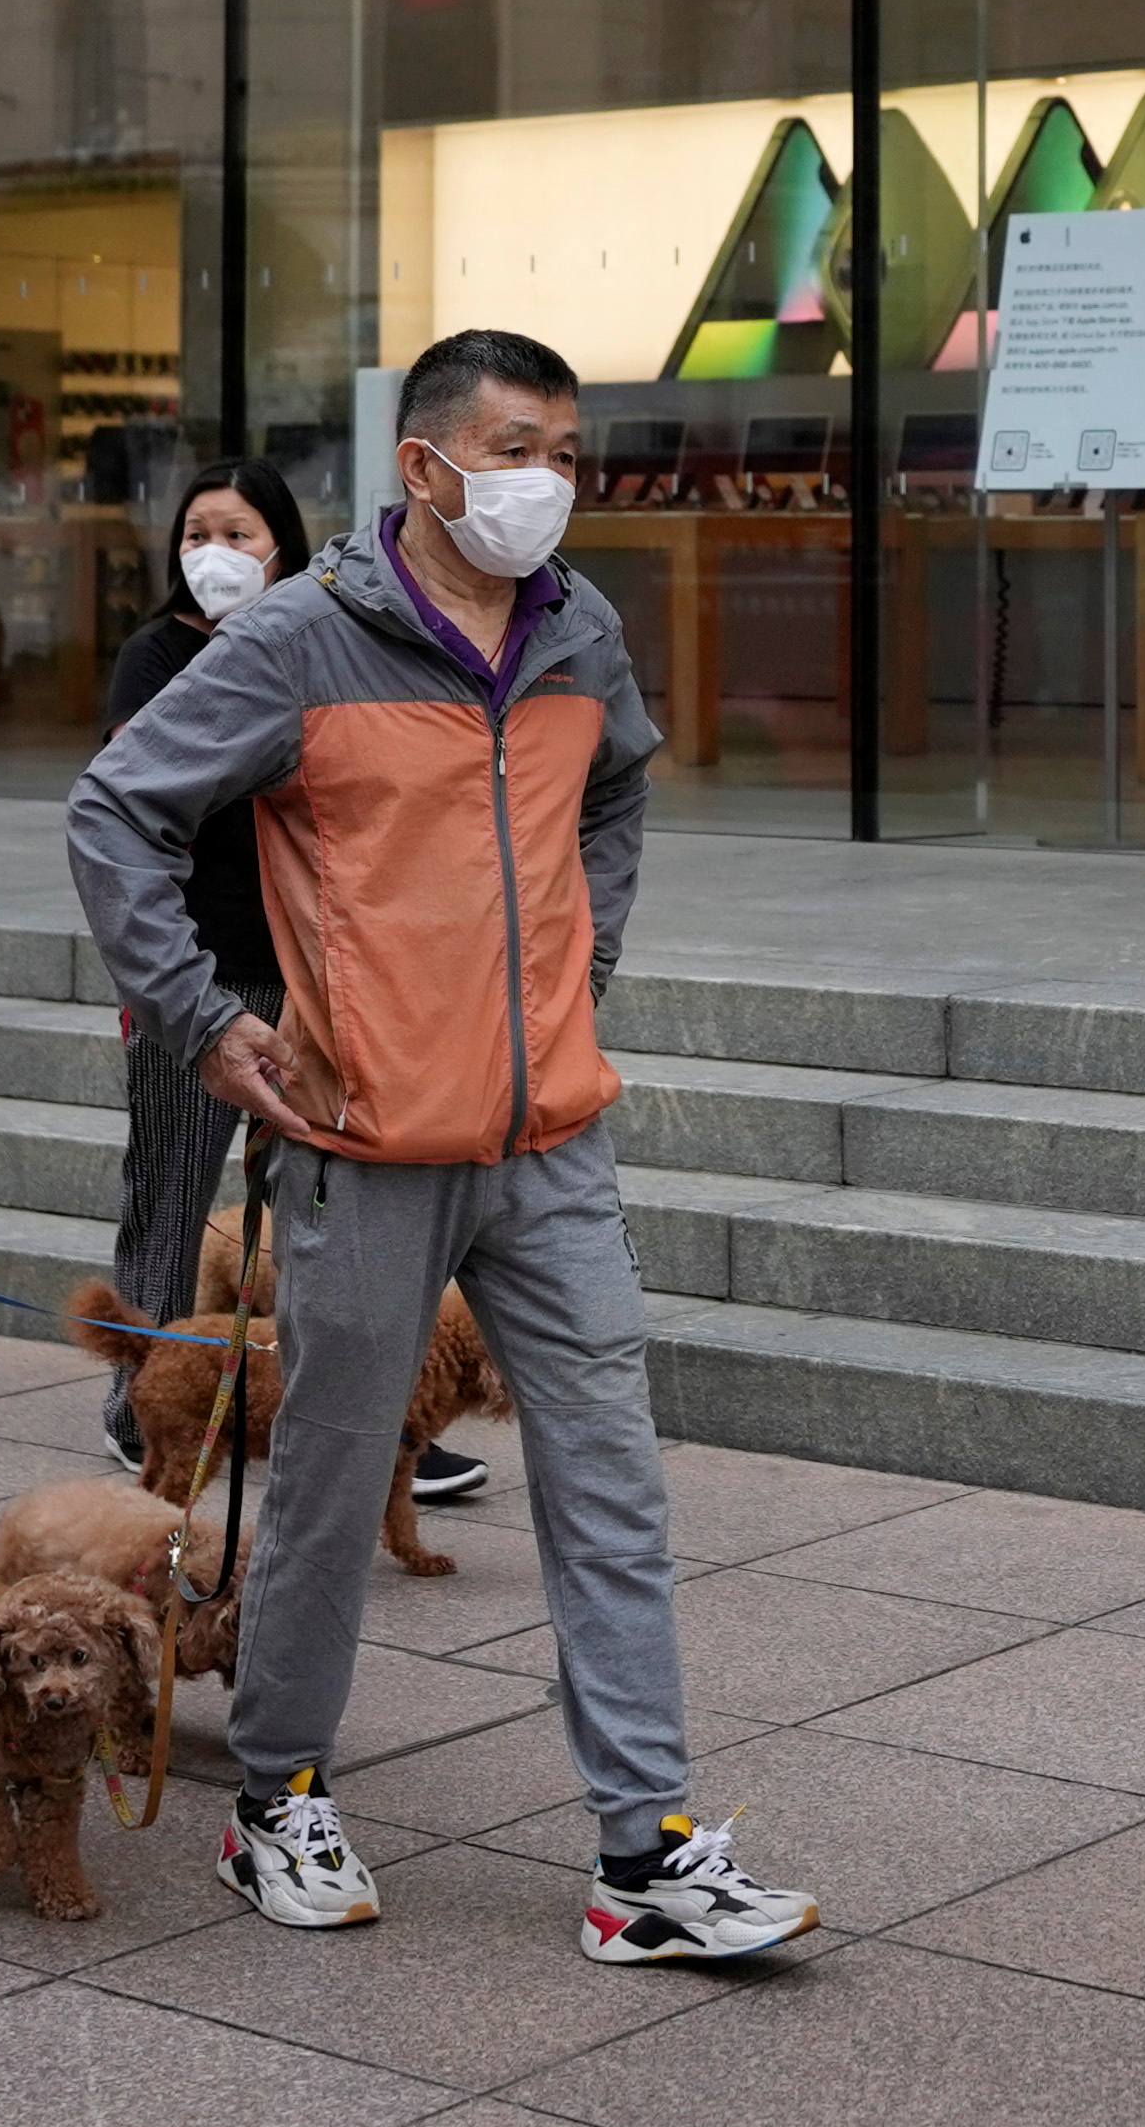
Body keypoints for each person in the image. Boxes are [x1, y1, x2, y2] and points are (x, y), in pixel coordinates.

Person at [64, 327, 811, 1966]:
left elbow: (614, 797)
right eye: (517, 448)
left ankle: (647, 1853)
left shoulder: (577, 627)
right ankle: (276, 1795)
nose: (547, 483)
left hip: (549, 1140)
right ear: (423, 467)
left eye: (565, 453)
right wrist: (206, 1020)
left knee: (611, 1475)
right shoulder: (297, 643)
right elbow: (115, 807)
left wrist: (577, 960)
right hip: (365, 1140)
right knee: (330, 1483)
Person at [68, 458, 481, 1515]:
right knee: (172, 1186)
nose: (214, 552)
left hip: (316, 965)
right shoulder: (156, 655)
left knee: (324, 1203)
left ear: (286, 546)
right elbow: (141, 797)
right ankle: (144, 1394)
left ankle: (365, 1409)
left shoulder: (319, 643)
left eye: (239, 533)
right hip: (193, 971)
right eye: (196, 532)